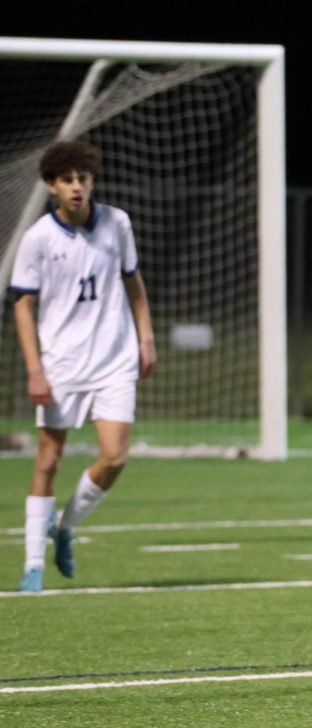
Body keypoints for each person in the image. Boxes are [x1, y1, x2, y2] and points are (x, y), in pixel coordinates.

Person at [9, 139, 156, 593]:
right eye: (67, 180)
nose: (76, 187)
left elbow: (133, 283)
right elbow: (22, 305)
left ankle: (66, 526)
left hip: (113, 358)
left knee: (115, 456)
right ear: (52, 186)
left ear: (92, 180)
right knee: (49, 458)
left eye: (83, 179)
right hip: (61, 365)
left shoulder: (117, 223)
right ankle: (33, 564)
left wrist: (145, 338)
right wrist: (35, 368)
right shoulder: (38, 238)